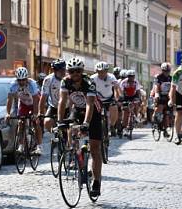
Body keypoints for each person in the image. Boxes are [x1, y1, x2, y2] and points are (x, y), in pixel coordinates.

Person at [57, 57, 104, 198]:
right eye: (72, 71)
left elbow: (90, 104)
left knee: (95, 148)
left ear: (82, 71)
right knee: (70, 126)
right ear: (68, 72)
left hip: (93, 112)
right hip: (77, 109)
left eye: (78, 71)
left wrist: (86, 124)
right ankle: (75, 153)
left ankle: (96, 181)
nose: (75, 74)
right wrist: (60, 121)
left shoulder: (89, 82)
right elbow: (62, 100)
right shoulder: (65, 82)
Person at [6, 67, 43, 155]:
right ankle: (21, 145)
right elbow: (9, 99)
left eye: (23, 80)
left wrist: (35, 113)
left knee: (36, 123)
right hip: (23, 103)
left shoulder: (32, 84)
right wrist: (7, 113)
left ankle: (39, 146)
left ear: (27, 79)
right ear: (16, 80)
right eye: (19, 80)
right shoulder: (13, 85)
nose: (21, 82)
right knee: (21, 123)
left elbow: (36, 99)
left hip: (34, 102)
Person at [39, 59, 67, 137]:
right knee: (47, 122)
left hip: (67, 107)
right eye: (60, 70)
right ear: (54, 71)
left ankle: (70, 146)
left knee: (70, 127)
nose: (62, 72)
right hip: (54, 107)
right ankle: (53, 139)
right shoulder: (48, 79)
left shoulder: (68, 78)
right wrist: (40, 113)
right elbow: (43, 97)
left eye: (63, 69)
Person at [92, 61, 121, 136]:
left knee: (114, 107)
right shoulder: (93, 78)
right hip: (97, 99)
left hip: (109, 97)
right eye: (100, 72)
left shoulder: (111, 77)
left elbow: (116, 88)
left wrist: (117, 98)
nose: (102, 74)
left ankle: (112, 126)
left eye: (104, 72)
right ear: (97, 71)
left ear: (107, 71)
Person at [151, 63, 173, 136]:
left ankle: (165, 130)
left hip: (167, 95)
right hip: (159, 94)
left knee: (166, 113)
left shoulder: (171, 78)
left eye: (168, 71)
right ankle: (155, 119)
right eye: (165, 71)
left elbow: (174, 88)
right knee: (159, 107)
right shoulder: (158, 77)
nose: (166, 73)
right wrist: (157, 95)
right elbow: (156, 87)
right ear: (162, 70)